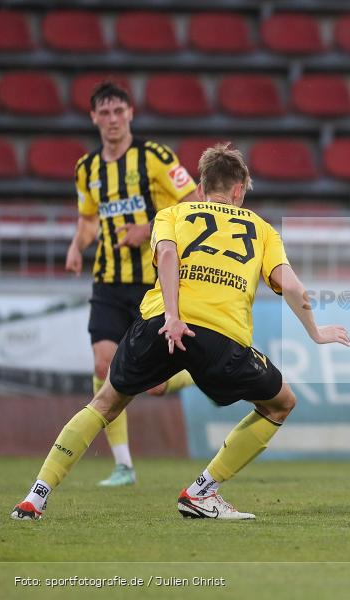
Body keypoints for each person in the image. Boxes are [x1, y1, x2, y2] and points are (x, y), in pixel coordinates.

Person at [11, 144, 350, 521]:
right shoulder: (262, 230)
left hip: (159, 325)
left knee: (104, 403)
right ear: (239, 190)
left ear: (202, 188)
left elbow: (168, 257)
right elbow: (294, 289)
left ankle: (35, 497)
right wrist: (316, 331)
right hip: (221, 341)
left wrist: (172, 317)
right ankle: (202, 492)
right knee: (281, 403)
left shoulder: (172, 213)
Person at [67, 82, 198, 487]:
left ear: (130, 113)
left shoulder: (155, 157)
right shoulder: (86, 169)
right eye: (103, 113)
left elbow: (194, 201)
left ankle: (199, 369)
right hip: (107, 281)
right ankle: (123, 464)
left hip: (151, 285)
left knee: (156, 386)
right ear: (93, 118)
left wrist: (149, 227)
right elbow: (90, 219)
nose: (111, 120)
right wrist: (76, 246)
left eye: (117, 111)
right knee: (103, 365)